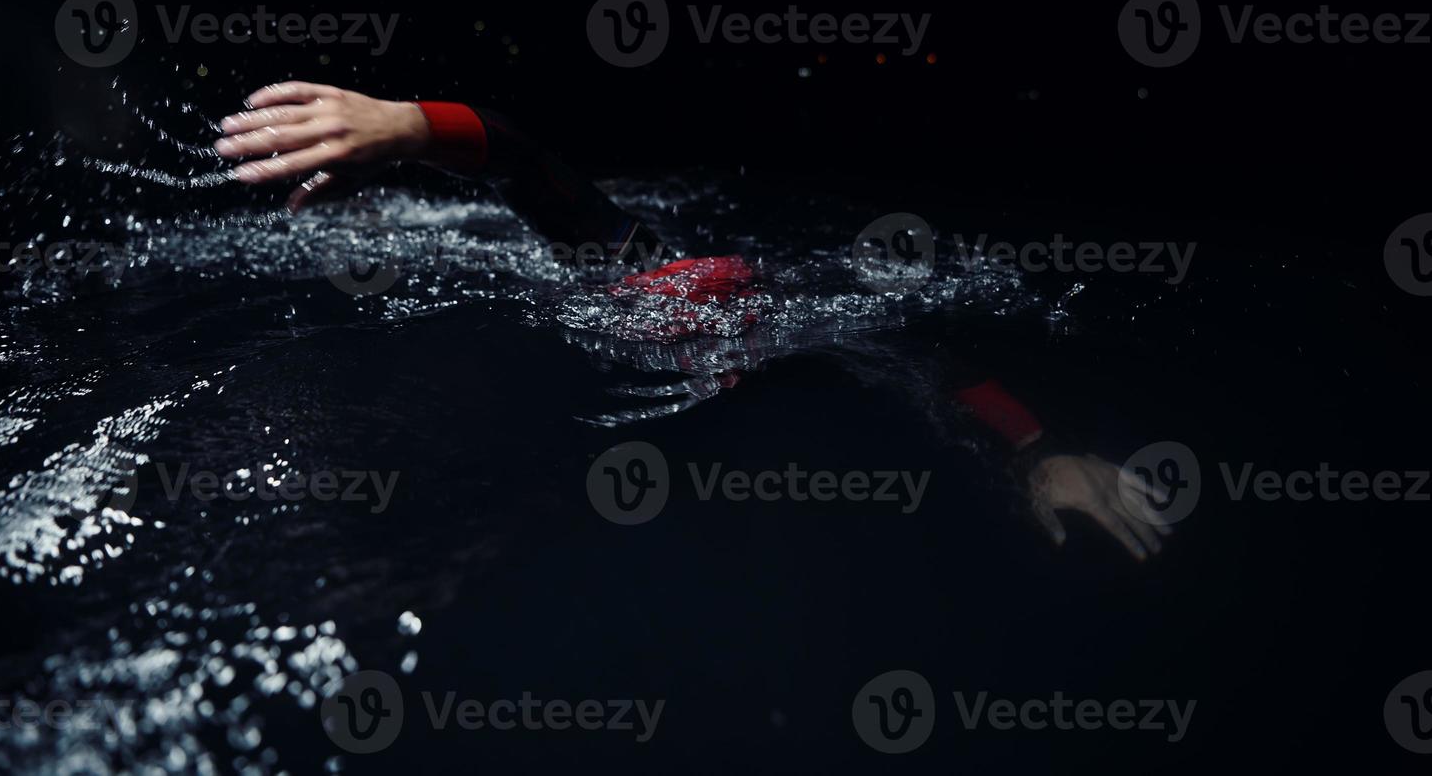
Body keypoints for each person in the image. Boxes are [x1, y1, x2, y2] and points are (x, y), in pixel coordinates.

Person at [215, 81, 1174, 561]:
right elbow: (523, 165)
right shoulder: (625, 268)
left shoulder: (790, 324)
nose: (676, 330)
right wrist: (411, 128)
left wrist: (1039, 449)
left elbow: (931, 362)